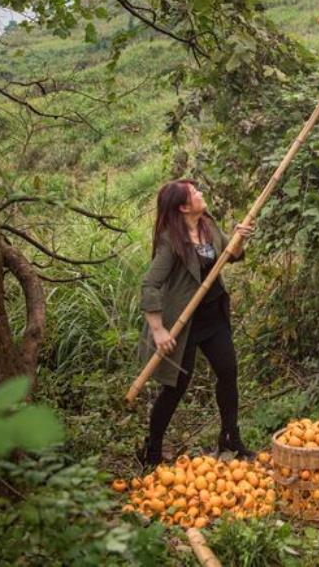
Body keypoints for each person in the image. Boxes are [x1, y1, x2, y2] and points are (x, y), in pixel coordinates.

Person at [135, 178, 255, 469]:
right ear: (183, 206)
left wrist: (240, 238)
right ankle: (152, 450)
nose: (201, 194)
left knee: (228, 373)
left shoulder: (208, 225)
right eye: (195, 192)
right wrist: (158, 329)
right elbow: (149, 285)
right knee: (176, 387)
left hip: (213, 316)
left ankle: (229, 438)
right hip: (184, 323)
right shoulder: (170, 239)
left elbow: (232, 255)